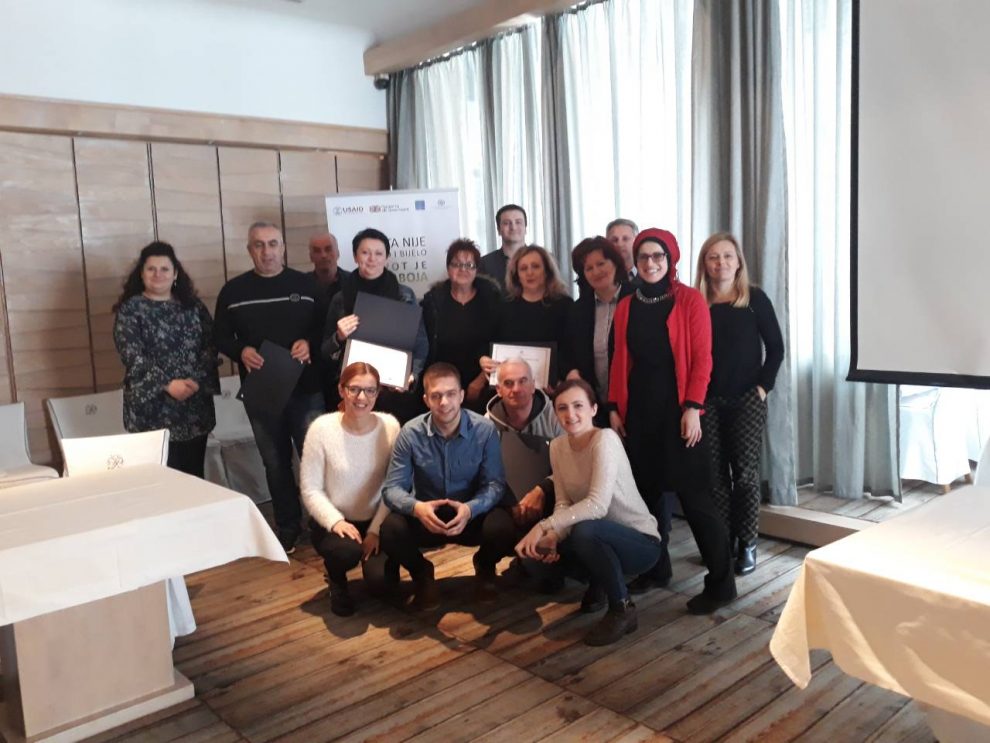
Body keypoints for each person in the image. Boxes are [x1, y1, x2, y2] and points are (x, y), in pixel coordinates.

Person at [608, 227, 736, 614]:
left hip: (681, 411)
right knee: (646, 496)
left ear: (670, 259)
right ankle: (656, 567)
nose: (650, 263)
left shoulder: (690, 300)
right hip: (640, 410)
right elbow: (618, 359)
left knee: (696, 498)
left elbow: (703, 359)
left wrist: (693, 407)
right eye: (643, 256)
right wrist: (614, 407)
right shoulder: (626, 305)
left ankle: (722, 583)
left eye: (657, 256)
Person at [517, 379, 661, 646]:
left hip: (640, 542)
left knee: (585, 531)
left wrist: (543, 526)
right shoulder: (558, 446)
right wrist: (553, 536)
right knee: (536, 558)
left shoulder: (605, 439)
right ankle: (601, 580)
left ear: (594, 409)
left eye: (578, 406)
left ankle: (623, 608)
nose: (570, 414)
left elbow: (597, 505)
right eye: (562, 408)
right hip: (597, 536)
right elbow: (563, 503)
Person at [214, 221, 324, 554]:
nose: (267, 251)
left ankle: (322, 524)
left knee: (314, 459)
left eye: (273, 243)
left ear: (283, 247)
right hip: (263, 392)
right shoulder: (233, 292)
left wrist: (310, 342)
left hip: (306, 389)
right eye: (259, 245)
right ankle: (288, 526)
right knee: (275, 464)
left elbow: (326, 327)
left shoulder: (306, 285)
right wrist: (240, 351)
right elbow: (220, 336)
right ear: (249, 250)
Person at [380, 363, 512, 610]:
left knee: (503, 526)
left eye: (451, 394)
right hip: (428, 516)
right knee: (391, 530)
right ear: (426, 400)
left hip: (470, 515)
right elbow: (392, 489)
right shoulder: (410, 433)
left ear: (461, 395)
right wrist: (417, 508)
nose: (444, 402)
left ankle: (485, 567)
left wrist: (471, 509)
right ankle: (422, 574)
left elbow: (495, 483)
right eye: (436, 396)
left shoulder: (484, 430)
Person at [694, 232, 784, 575]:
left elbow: (776, 349)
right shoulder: (696, 303)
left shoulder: (754, 298)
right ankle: (723, 542)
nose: (721, 263)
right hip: (706, 401)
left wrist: (762, 388)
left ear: (738, 262)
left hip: (747, 399)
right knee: (714, 477)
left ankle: (747, 543)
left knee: (744, 474)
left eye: (727, 256)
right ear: (705, 264)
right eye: (713, 257)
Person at [300, 362, 400, 616]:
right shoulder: (321, 429)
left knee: (381, 584)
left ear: (377, 393)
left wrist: (375, 530)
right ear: (341, 390)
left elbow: (394, 485)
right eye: (354, 389)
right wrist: (335, 522)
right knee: (345, 553)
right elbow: (310, 489)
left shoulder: (390, 426)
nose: (361, 397)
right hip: (337, 521)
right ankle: (337, 579)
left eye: (370, 390)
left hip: (377, 518)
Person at [113, 241, 220, 478]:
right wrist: (168, 384)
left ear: (175, 274)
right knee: (161, 479)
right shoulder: (131, 310)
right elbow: (132, 355)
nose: (158, 274)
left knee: (195, 478)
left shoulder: (193, 306)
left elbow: (211, 346)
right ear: (141, 274)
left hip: (193, 407)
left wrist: (194, 381)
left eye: (164, 269)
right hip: (151, 409)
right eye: (151, 269)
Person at [322, 227, 429, 423]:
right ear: (355, 256)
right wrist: (338, 337)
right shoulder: (340, 298)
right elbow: (324, 351)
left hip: (393, 391)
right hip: (355, 392)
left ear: (387, 258)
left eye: (379, 253)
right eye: (365, 252)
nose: (372, 259)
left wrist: (412, 374)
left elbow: (420, 341)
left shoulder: (404, 295)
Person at [421, 239, 501, 413]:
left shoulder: (492, 300)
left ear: (476, 269)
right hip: (442, 385)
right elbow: (424, 344)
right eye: (456, 264)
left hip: (481, 384)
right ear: (448, 268)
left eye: (469, 265)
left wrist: (480, 381)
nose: (463, 269)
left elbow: (498, 344)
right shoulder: (433, 301)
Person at [563, 237, 634, 427]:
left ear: (615, 263)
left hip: (635, 400)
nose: (596, 272)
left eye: (601, 264)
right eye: (589, 268)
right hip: (593, 405)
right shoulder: (577, 309)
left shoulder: (637, 299)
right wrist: (571, 371)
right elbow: (568, 352)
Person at [482, 245, 573, 387]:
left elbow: (570, 350)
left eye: (536, 266)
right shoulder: (504, 307)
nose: (529, 273)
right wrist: (484, 359)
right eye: (523, 268)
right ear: (516, 275)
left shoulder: (564, 305)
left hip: (552, 388)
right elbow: (488, 344)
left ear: (547, 271)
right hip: (510, 388)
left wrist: (559, 380)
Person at [309, 231, 350, 411]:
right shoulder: (301, 286)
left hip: (344, 368)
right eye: (317, 251)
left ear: (338, 252)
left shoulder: (353, 283)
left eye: (328, 249)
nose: (324, 255)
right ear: (311, 256)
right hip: (311, 370)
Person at [478, 204, 527, 291]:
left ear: (525, 228)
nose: (513, 227)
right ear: (498, 230)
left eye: (518, 222)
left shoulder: (542, 260)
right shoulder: (484, 264)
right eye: (506, 223)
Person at [606, 218, 639, 282]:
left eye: (625, 239)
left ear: (636, 240)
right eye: (614, 240)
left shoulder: (649, 271)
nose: (620, 244)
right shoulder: (602, 276)